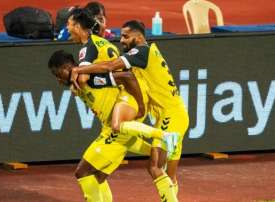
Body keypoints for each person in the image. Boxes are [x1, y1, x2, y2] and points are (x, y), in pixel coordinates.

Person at [70, 20, 189, 202]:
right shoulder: (141, 57)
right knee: (169, 176)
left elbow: (110, 65)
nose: (121, 40)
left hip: (170, 116)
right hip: (174, 115)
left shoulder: (142, 51)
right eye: (121, 36)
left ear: (139, 37)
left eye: (126, 36)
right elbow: (118, 75)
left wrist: (79, 68)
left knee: (155, 167)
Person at [48, 50, 153, 202]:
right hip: (110, 128)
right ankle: (157, 149)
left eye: (59, 74)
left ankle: (160, 143)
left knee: (82, 172)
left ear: (68, 67)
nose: (58, 80)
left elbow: (127, 77)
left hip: (117, 127)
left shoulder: (90, 78)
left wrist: (141, 105)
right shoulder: (79, 84)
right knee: (98, 177)